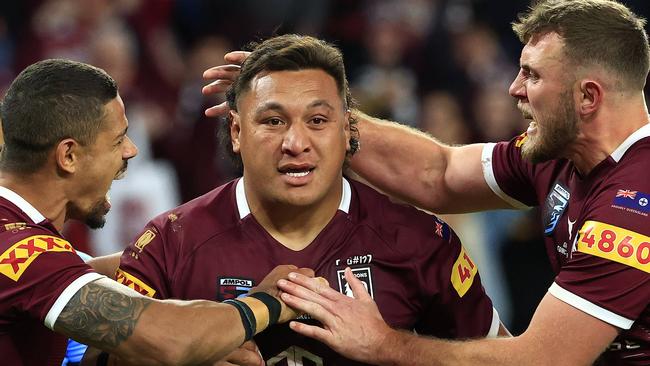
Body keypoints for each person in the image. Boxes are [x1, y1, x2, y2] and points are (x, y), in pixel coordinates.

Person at [204, 0, 650, 364]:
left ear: (588, 96)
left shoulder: (632, 206)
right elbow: (439, 173)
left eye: (532, 75)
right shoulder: (559, 154)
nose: (513, 88)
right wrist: (324, 117)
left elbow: (542, 360)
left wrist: (383, 343)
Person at [111, 34, 505, 365]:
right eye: (273, 121)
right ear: (235, 131)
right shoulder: (170, 243)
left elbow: (504, 357)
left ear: (348, 131)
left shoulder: (419, 242)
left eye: (317, 121)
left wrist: (390, 346)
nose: (295, 144)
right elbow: (96, 355)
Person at [0, 58, 312, 366]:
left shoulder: (29, 247)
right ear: (68, 155)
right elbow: (168, 340)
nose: (130, 150)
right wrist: (267, 301)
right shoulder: (22, 252)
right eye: (118, 139)